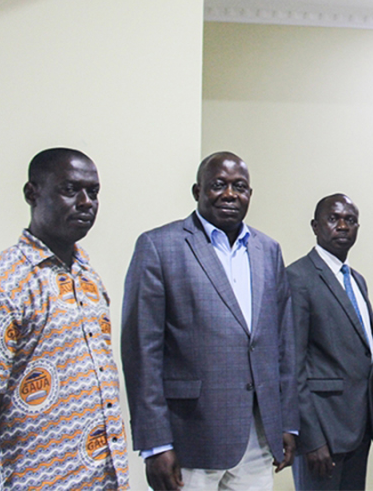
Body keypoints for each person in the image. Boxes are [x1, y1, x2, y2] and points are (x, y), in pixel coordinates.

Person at [120, 152, 297, 491]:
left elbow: (282, 344)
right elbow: (142, 353)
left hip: (258, 438)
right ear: (196, 190)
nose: (230, 194)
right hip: (189, 438)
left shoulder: (268, 250)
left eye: (240, 187)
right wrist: (155, 444)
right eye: (219, 185)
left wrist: (288, 422)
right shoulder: (159, 246)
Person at [0, 148, 130, 490]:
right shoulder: (1, 282)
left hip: (103, 478)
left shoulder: (89, 276)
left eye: (93, 192)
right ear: (33, 193)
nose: (86, 202)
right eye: (70, 189)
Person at [287, 194, 373, 490]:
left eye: (351, 220)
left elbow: (363, 356)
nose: (343, 226)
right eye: (334, 219)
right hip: (322, 436)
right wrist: (310, 439)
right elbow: (293, 367)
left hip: (358, 431)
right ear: (315, 226)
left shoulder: (356, 280)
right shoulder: (298, 277)